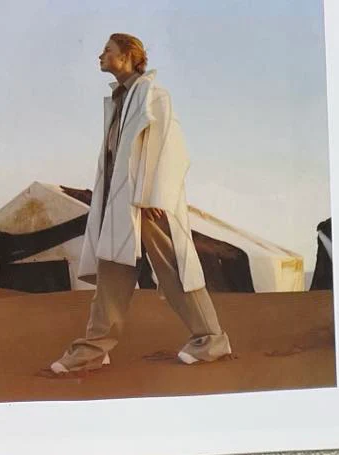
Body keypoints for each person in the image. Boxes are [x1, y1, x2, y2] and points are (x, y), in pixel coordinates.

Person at [50, 33, 232, 376]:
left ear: (128, 56)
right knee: (111, 272)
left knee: (174, 271)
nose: (100, 55)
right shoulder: (119, 100)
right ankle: (94, 348)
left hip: (149, 205)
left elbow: (171, 147)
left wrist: (155, 196)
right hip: (120, 203)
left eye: (107, 50)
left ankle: (212, 339)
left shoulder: (154, 95)